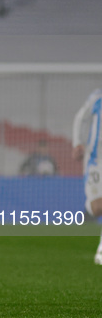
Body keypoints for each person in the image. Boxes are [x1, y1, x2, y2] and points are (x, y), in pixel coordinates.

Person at [72, 88, 102, 264]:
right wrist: (77, 143)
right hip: (95, 160)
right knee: (97, 208)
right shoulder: (97, 97)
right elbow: (80, 118)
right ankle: (88, 207)